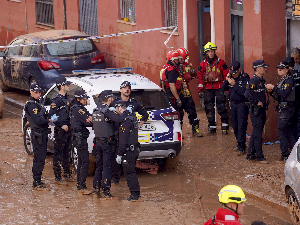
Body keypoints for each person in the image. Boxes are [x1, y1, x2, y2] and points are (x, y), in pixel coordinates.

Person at [92, 90, 132, 197]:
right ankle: (106, 190)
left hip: (98, 142)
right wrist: (127, 112)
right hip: (107, 144)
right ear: (109, 99)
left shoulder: (96, 110)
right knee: (107, 167)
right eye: (112, 98)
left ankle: (96, 187)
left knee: (99, 165)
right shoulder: (107, 111)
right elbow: (118, 119)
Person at [111, 81, 149, 184]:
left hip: (129, 135)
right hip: (117, 134)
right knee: (116, 157)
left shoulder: (135, 103)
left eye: (129, 88)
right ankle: (116, 180)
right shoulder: (114, 102)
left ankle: (129, 178)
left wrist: (139, 125)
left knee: (128, 159)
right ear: (120, 90)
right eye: (125, 88)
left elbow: (145, 115)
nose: (127, 89)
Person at [24, 83, 58, 190]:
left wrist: (49, 116)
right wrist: (50, 120)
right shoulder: (31, 105)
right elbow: (38, 120)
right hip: (37, 134)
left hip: (43, 133)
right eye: (36, 92)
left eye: (39, 92)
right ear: (31, 92)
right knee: (39, 158)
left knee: (42, 157)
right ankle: (36, 182)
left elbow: (44, 115)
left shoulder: (38, 103)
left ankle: (38, 180)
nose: (38, 94)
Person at [265, 61, 296, 162]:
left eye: (282, 68)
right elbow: (279, 96)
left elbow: (284, 94)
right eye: (278, 68)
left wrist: (273, 87)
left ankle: (285, 155)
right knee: (287, 131)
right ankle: (293, 152)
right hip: (283, 108)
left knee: (282, 131)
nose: (279, 70)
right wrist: (271, 92)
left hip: (287, 110)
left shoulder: (289, 80)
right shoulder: (283, 80)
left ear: (287, 70)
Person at [197, 42, 229, 134]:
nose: (211, 53)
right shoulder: (203, 64)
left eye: (212, 51)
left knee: (221, 106)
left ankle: (224, 125)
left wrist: (226, 89)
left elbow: (227, 75)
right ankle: (212, 127)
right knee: (209, 108)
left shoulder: (221, 62)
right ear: (206, 53)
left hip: (219, 87)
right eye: (209, 51)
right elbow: (200, 78)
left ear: (214, 51)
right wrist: (200, 90)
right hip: (208, 88)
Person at [49, 77, 75, 184]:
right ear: (61, 86)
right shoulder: (56, 100)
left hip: (69, 130)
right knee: (58, 153)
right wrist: (61, 125)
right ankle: (57, 176)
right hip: (60, 131)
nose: (69, 86)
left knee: (67, 153)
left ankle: (67, 173)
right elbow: (52, 116)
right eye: (67, 85)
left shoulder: (68, 98)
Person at [221, 61, 250, 155]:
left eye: (235, 73)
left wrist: (235, 85)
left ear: (239, 70)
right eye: (232, 73)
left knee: (241, 125)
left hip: (242, 104)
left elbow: (245, 93)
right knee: (235, 125)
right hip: (233, 104)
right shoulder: (231, 78)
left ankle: (242, 145)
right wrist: (226, 80)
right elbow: (223, 88)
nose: (234, 75)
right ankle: (239, 143)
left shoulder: (245, 78)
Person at [115, 100, 140, 201]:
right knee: (131, 172)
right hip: (134, 149)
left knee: (129, 173)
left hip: (128, 151)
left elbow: (122, 140)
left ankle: (134, 195)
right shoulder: (132, 117)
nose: (116, 111)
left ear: (120, 108)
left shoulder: (125, 122)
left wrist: (120, 154)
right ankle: (136, 193)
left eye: (116, 109)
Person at [244, 60, 269, 163]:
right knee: (258, 133)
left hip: (261, 110)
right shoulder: (253, 81)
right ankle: (260, 156)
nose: (265, 69)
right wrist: (256, 102)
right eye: (263, 67)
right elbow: (247, 94)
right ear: (258, 69)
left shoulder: (261, 80)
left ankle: (250, 153)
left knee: (256, 132)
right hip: (256, 111)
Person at [70, 90, 93, 194]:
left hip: (79, 137)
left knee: (80, 161)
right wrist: (90, 119)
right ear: (78, 99)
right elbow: (88, 120)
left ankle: (80, 184)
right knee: (85, 161)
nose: (86, 100)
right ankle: (82, 186)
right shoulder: (77, 109)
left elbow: (89, 118)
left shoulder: (80, 108)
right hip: (79, 137)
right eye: (84, 99)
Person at [176, 47, 203, 137]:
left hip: (186, 92)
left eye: (183, 59)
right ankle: (178, 133)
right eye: (181, 58)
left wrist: (190, 72)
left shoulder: (186, 65)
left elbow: (194, 74)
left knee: (192, 111)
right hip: (177, 93)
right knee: (178, 114)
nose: (183, 60)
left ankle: (195, 130)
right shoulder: (172, 67)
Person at [284, 56, 300, 140]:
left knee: (290, 123)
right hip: (298, 101)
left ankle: (292, 143)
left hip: (291, 103)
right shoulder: (298, 74)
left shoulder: (288, 77)